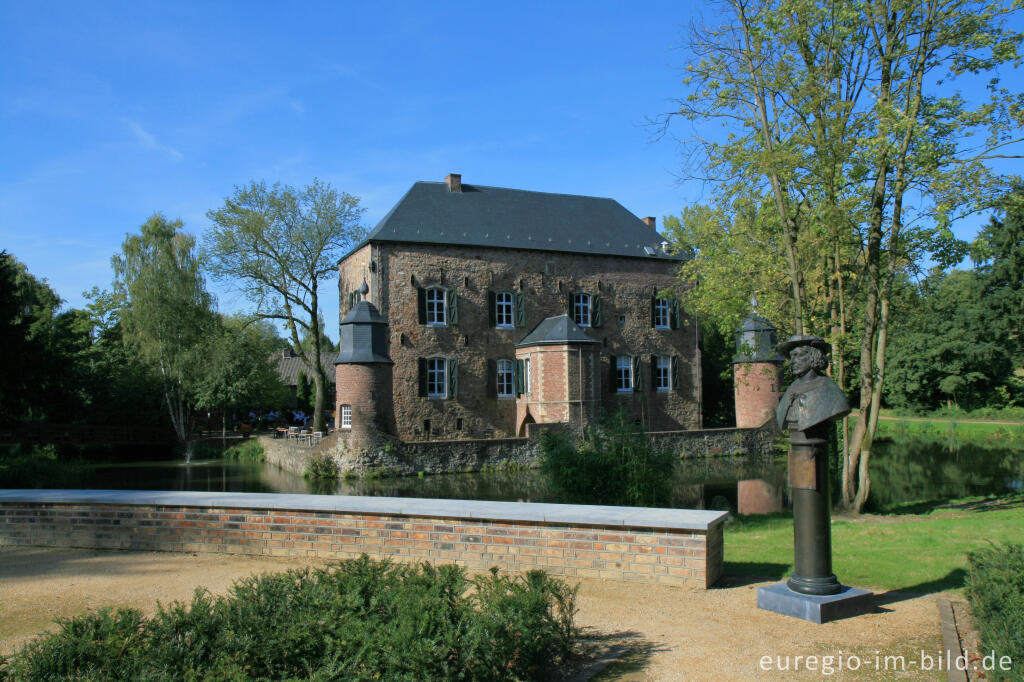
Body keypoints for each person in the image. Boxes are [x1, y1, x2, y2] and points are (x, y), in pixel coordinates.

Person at [775, 335, 851, 431]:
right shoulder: (791, 389)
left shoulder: (831, 391)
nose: (792, 362)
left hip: (816, 441)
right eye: (791, 357)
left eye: (798, 355)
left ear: (813, 356)